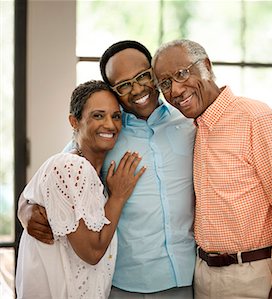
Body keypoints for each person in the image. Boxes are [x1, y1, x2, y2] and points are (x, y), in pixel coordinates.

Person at [18, 41, 197, 298]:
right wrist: (25, 208)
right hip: (122, 283)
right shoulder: (107, 133)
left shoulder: (189, 124)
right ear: (114, 91)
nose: (137, 89)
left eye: (143, 76)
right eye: (124, 85)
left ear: (154, 73)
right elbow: (55, 174)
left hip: (184, 279)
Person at [152, 39, 272, 299]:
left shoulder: (256, 119)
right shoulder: (193, 129)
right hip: (202, 275)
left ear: (206, 66)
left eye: (182, 74)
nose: (176, 90)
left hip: (251, 277)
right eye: (165, 84)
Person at [16, 80, 146, 299]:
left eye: (115, 116)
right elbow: (92, 252)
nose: (110, 125)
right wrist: (118, 197)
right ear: (74, 121)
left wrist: (24, 208)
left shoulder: (85, 171)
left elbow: (27, 197)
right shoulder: (70, 166)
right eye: (98, 115)